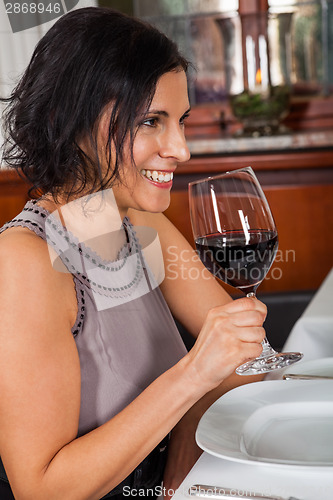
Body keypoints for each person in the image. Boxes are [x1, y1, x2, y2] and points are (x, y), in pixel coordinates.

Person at [0, 7, 266, 500]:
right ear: (70, 119)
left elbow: (237, 360)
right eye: (151, 122)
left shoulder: (137, 221)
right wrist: (191, 378)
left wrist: (183, 450)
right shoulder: (25, 259)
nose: (181, 149)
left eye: (180, 121)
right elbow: (41, 490)